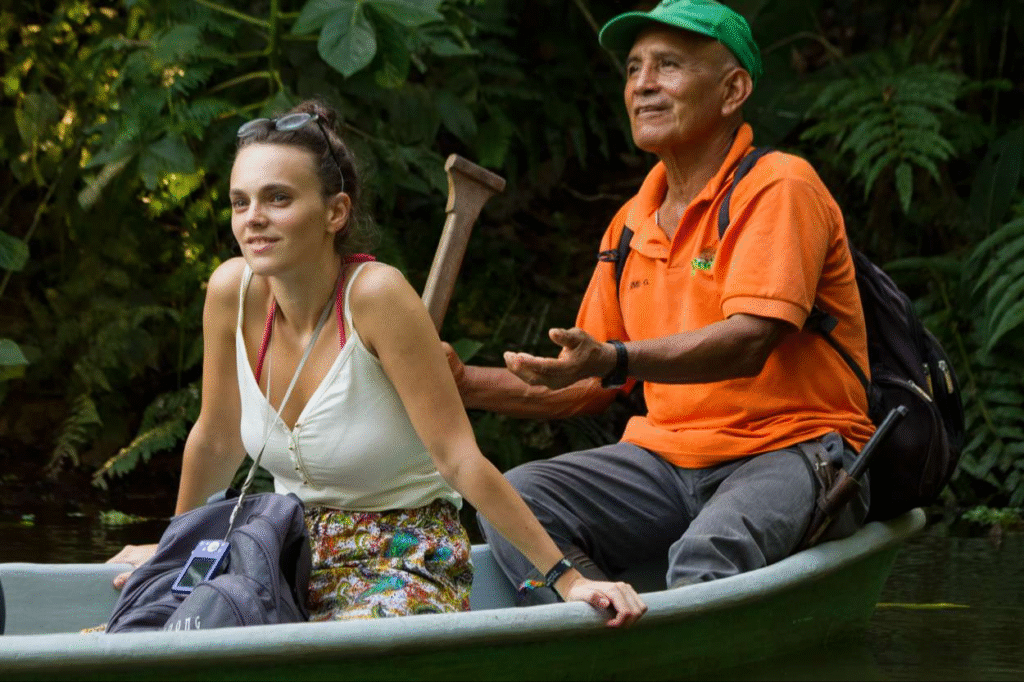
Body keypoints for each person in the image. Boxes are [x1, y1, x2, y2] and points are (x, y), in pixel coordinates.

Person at [107, 99, 646, 626]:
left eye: (277, 199)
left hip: (401, 554)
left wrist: (568, 577)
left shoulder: (377, 297)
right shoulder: (233, 291)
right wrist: (173, 549)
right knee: (147, 631)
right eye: (239, 202)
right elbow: (217, 437)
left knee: (338, 654)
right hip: (282, 547)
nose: (254, 220)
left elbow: (460, 459)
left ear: (335, 212)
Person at [446, 0, 875, 600]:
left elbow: (749, 341)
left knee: (706, 558)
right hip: (664, 460)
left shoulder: (779, 186)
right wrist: (458, 381)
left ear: (733, 90)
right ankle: (606, 626)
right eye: (632, 69)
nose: (643, 84)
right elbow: (585, 382)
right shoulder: (629, 224)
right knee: (513, 496)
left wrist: (616, 358)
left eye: (667, 66)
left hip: (793, 445)